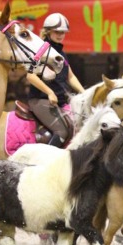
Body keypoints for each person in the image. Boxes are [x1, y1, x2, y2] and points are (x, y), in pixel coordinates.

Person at [27, 12, 85, 147]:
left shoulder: (60, 52)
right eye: (57, 31)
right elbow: (30, 76)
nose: (60, 35)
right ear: (48, 32)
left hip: (60, 101)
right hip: (41, 100)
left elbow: (70, 76)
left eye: (63, 32)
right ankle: (47, 161)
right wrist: (49, 92)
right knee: (62, 131)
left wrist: (85, 93)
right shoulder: (41, 50)